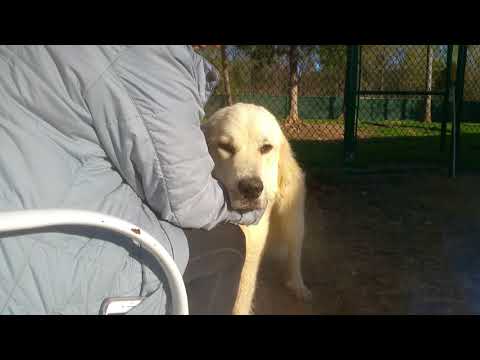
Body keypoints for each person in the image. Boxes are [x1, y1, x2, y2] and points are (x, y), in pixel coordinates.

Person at [0, 45, 264, 315]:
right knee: (228, 244)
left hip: (17, 217)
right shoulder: (148, 56)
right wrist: (253, 209)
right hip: (35, 263)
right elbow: (189, 201)